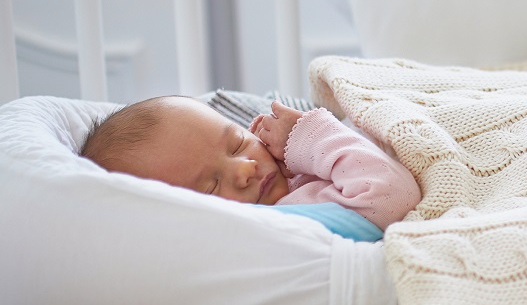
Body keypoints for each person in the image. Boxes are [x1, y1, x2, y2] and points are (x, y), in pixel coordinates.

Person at [80, 95, 421, 230]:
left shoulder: (290, 181)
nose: (245, 169)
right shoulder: (283, 221)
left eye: (238, 143)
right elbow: (393, 196)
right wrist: (309, 136)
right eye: (211, 186)